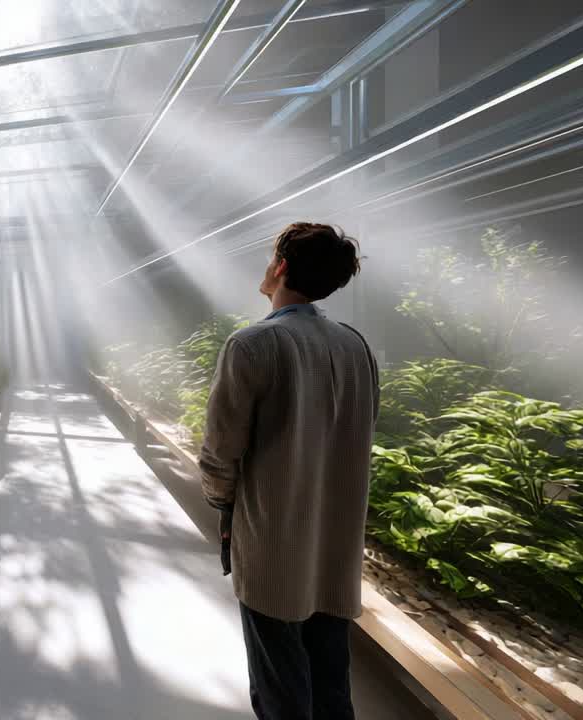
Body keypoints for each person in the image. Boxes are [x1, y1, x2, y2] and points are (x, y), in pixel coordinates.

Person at [199, 222, 379, 720]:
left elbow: (220, 453)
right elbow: (361, 431)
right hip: (336, 547)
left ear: (280, 267)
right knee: (331, 687)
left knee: (281, 690)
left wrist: (223, 504)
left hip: (274, 545)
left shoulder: (252, 345)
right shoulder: (355, 346)